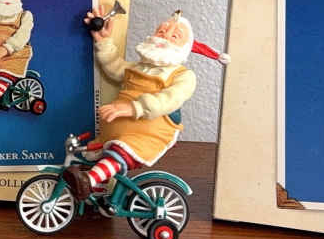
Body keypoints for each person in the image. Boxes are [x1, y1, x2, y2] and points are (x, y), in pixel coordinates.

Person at [61, 10, 227, 201]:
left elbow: (169, 98)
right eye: (161, 31)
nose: (165, 36)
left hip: (146, 134)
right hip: (114, 131)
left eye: (175, 36)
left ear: (185, 47)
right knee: (90, 154)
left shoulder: (183, 76)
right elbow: (114, 67)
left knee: (119, 154)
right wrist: (104, 41)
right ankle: (97, 193)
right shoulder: (138, 67)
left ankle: (89, 181)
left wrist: (134, 107)